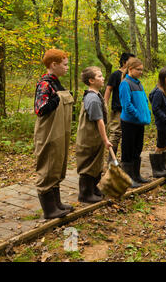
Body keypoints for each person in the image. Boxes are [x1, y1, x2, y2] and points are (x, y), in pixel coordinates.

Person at [34, 49, 74, 219]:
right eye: (64, 65)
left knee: (57, 166)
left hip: (60, 133)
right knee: (48, 167)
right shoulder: (45, 84)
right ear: (53, 65)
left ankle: (57, 204)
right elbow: (40, 109)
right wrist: (55, 100)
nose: (67, 68)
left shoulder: (56, 83)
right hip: (48, 134)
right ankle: (49, 210)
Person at [76, 66, 112, 204]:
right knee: (88, 164)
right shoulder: (92, 99)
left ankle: (94, 189)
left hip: (95, 138)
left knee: (96, 164)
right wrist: (106, 140)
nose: (103, 78)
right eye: (99, 76)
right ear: (91, 80)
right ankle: (85, 194)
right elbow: (99, 121)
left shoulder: (97, 95)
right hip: (89, 138)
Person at [119, 57, 151, 187]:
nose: (141, 72)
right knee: (128, 150)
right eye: (138, 69)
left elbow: (144, 100)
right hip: (129, 123)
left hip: (139, 123)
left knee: (138, 149)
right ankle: (127, 179)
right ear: (130, 69)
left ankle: (136, 176)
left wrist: (147, 113)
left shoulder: (138, 83)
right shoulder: (125, 83)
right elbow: (126, 105)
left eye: (142, 70)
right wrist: (138, 115)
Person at [104, 52, 135, 163]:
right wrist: (105, 104)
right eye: (131, 61)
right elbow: (109, 89)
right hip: (118, 109)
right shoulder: (116, 74)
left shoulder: (132, 75)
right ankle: (111, 161)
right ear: (124, 62)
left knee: (128, 134)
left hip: (130, 110)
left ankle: (126, 160)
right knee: (116, 134)